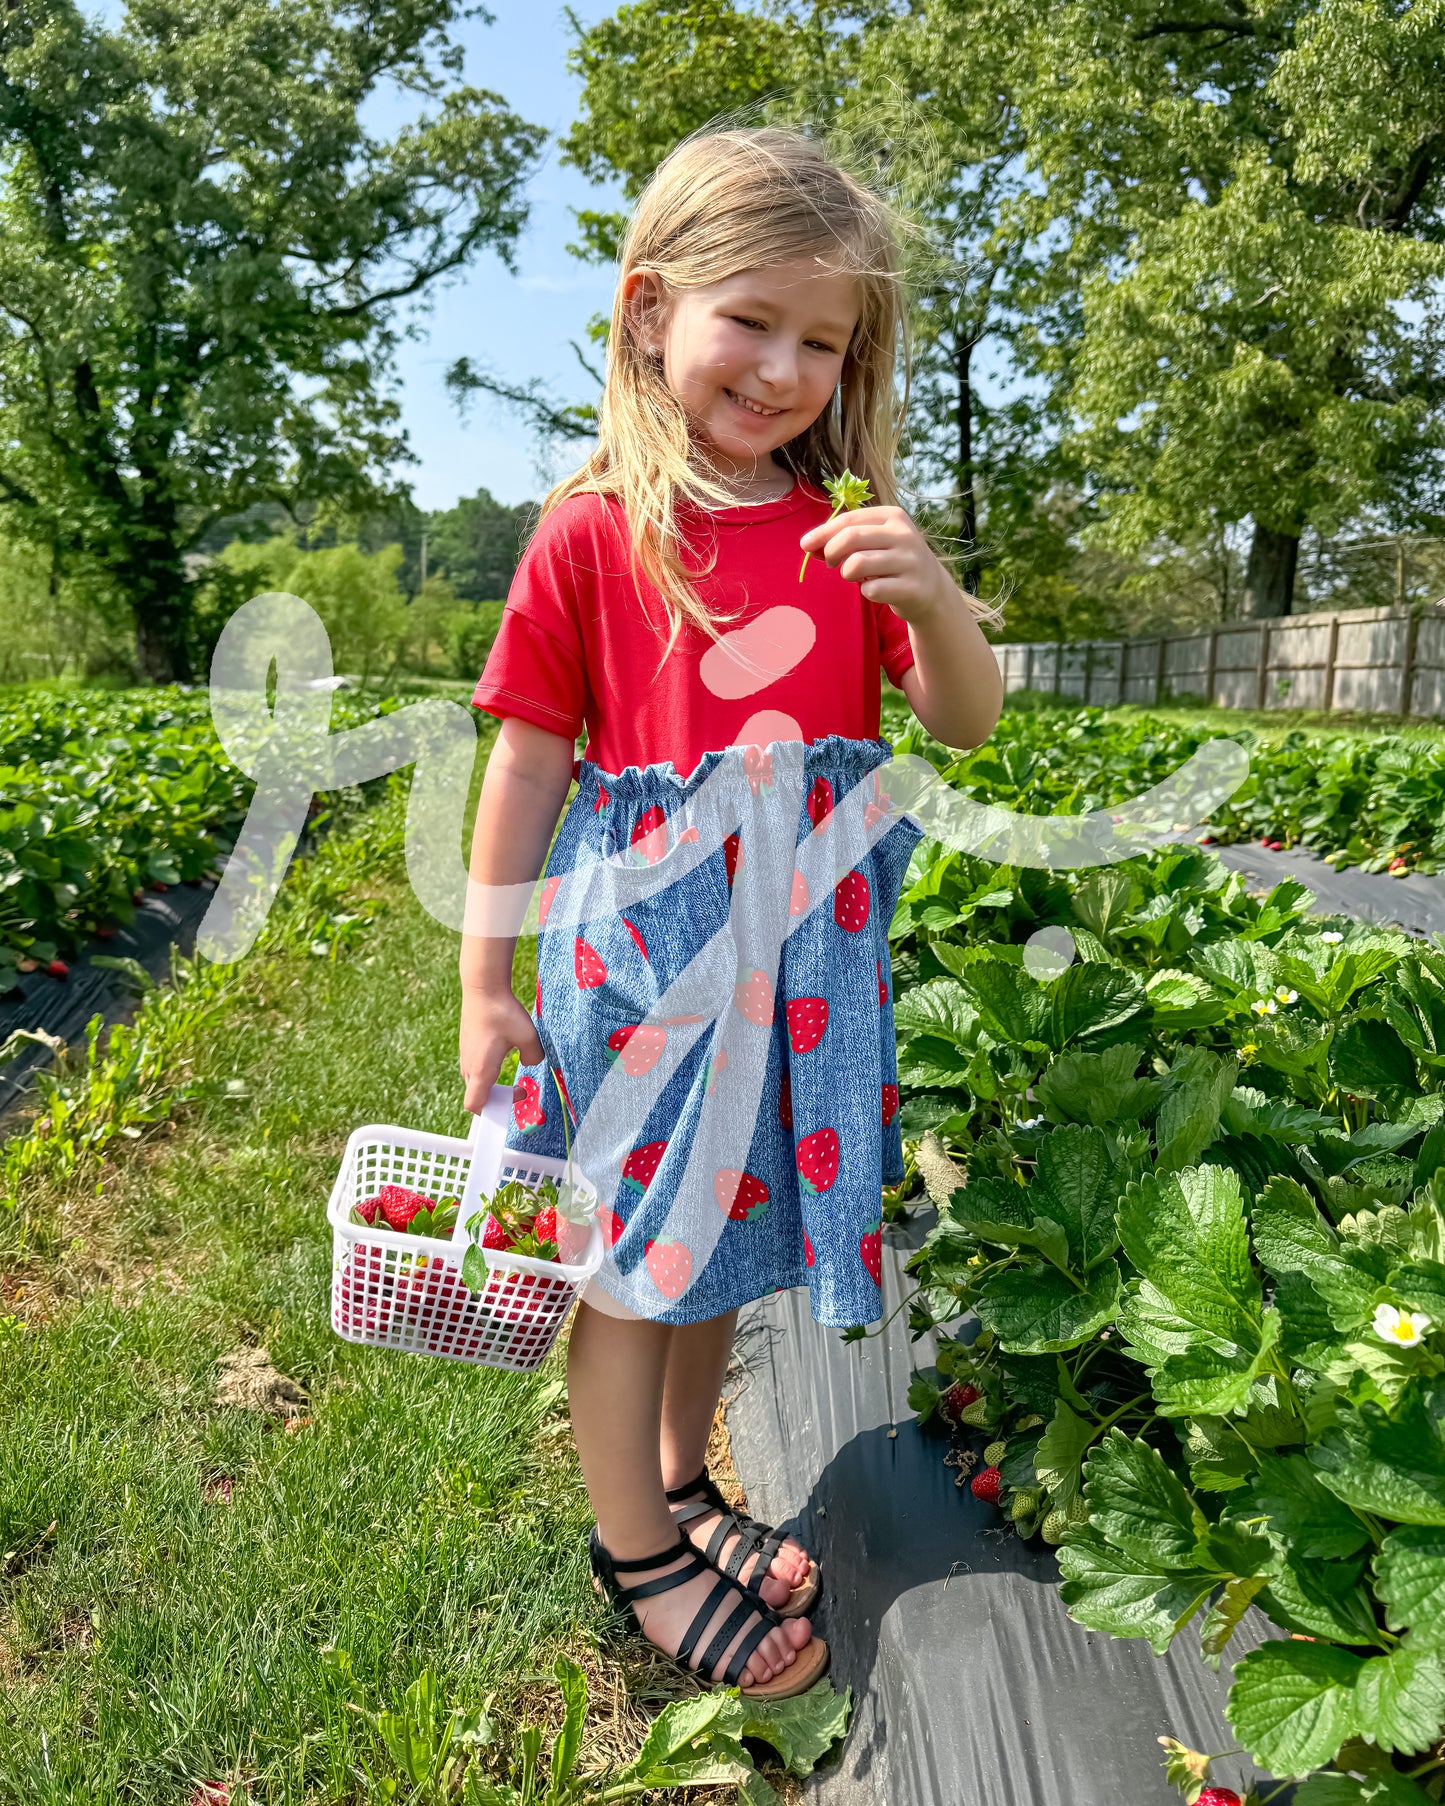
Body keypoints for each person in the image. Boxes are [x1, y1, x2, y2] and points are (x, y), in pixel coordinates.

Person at [458, 127, 1002, 1701]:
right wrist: (486, 985)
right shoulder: (593, 530)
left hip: (803, 966)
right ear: (646, 311)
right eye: (747, 320)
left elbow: (959, 724)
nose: (781, 368)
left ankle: (683, 1481)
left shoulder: (848, 533)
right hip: (642, 961)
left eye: (820, 341)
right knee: (636, 1262)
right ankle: (632, 1546)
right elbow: (529, 759)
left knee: (725, 1242)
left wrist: (938, 603)